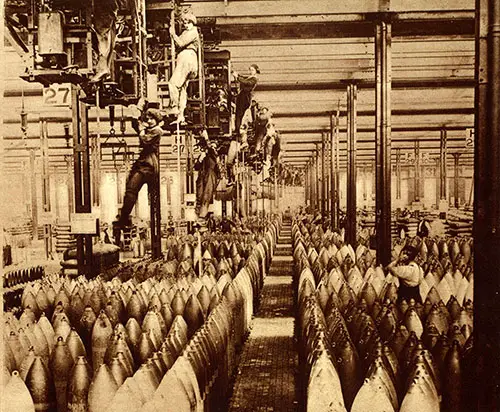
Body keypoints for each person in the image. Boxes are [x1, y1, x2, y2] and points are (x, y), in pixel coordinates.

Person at [118, 107, 163, 227]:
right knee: (130, 190)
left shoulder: (157, 130)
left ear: (157, 120)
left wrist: (141, 129)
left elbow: (144, 139)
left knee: (134, 191)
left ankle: (155, 219)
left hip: (148, 166)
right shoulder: (149, 129)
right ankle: (124, 217)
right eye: (147, 118)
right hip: (143, 163)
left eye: (151, 119)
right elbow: (137, 127)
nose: (149, 121)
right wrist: (135, 114)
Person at [166, 13, 199, 124]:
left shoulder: (193, 31)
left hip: (187, 57)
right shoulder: (187, 32)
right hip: (188, 60)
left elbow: (180, 43)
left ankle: (174, 107)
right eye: (184, 22)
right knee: (182, 89)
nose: (185, 24)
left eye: (187, 22)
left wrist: (172, 34)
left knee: (173, 83)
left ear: (192, 22)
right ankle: (180, 116)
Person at [233, 64, 260, 134]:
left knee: (240, 114)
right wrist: (237, 75)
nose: (251, 71)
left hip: (245, 98)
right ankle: (237, 129)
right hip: (242, 96)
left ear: (256, 71)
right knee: (238, 114)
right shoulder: (250, 77)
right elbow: (244, 79)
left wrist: (238, 77)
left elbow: (247, 82)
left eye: (252, 70)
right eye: (250, 70)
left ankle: (238, 130)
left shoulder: (254, 79)